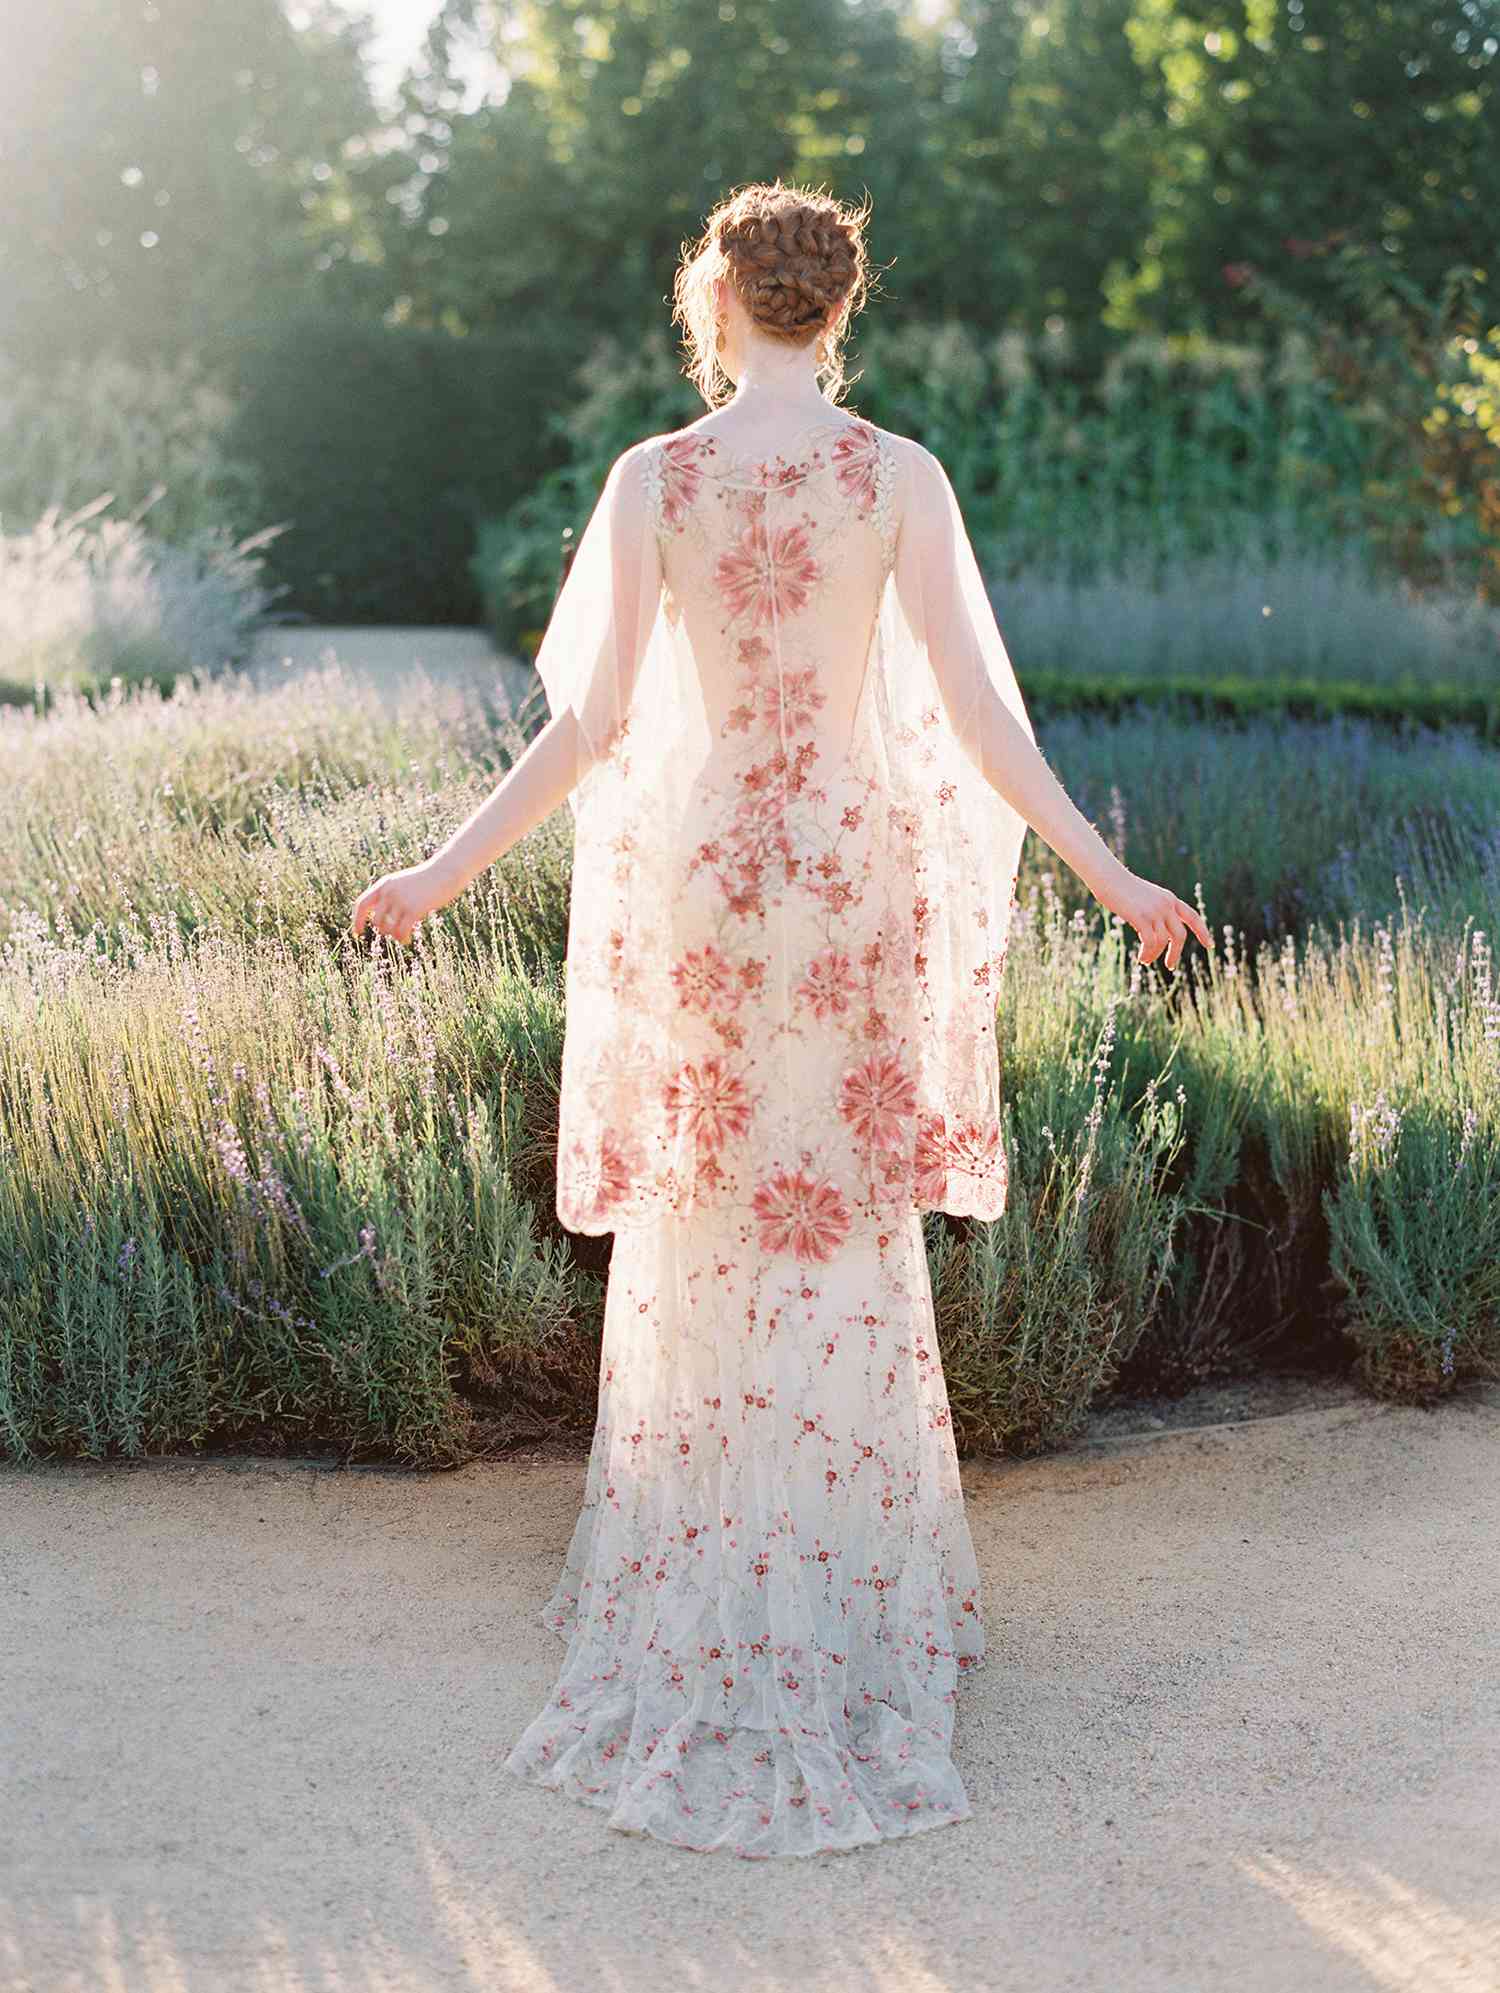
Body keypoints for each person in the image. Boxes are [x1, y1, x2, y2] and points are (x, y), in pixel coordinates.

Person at [352, 180, 1210, 1857]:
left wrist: (440, 871)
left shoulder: (656, 482)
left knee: (714, 1228)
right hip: (848, 884)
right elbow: (983, 727)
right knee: (839, 1232)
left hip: (712, 893)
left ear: (719, 303)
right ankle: (845, 1579)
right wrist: (1113, 877)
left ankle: (715, 1571)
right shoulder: (899, 480)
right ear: (840, 306)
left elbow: (589, 729)